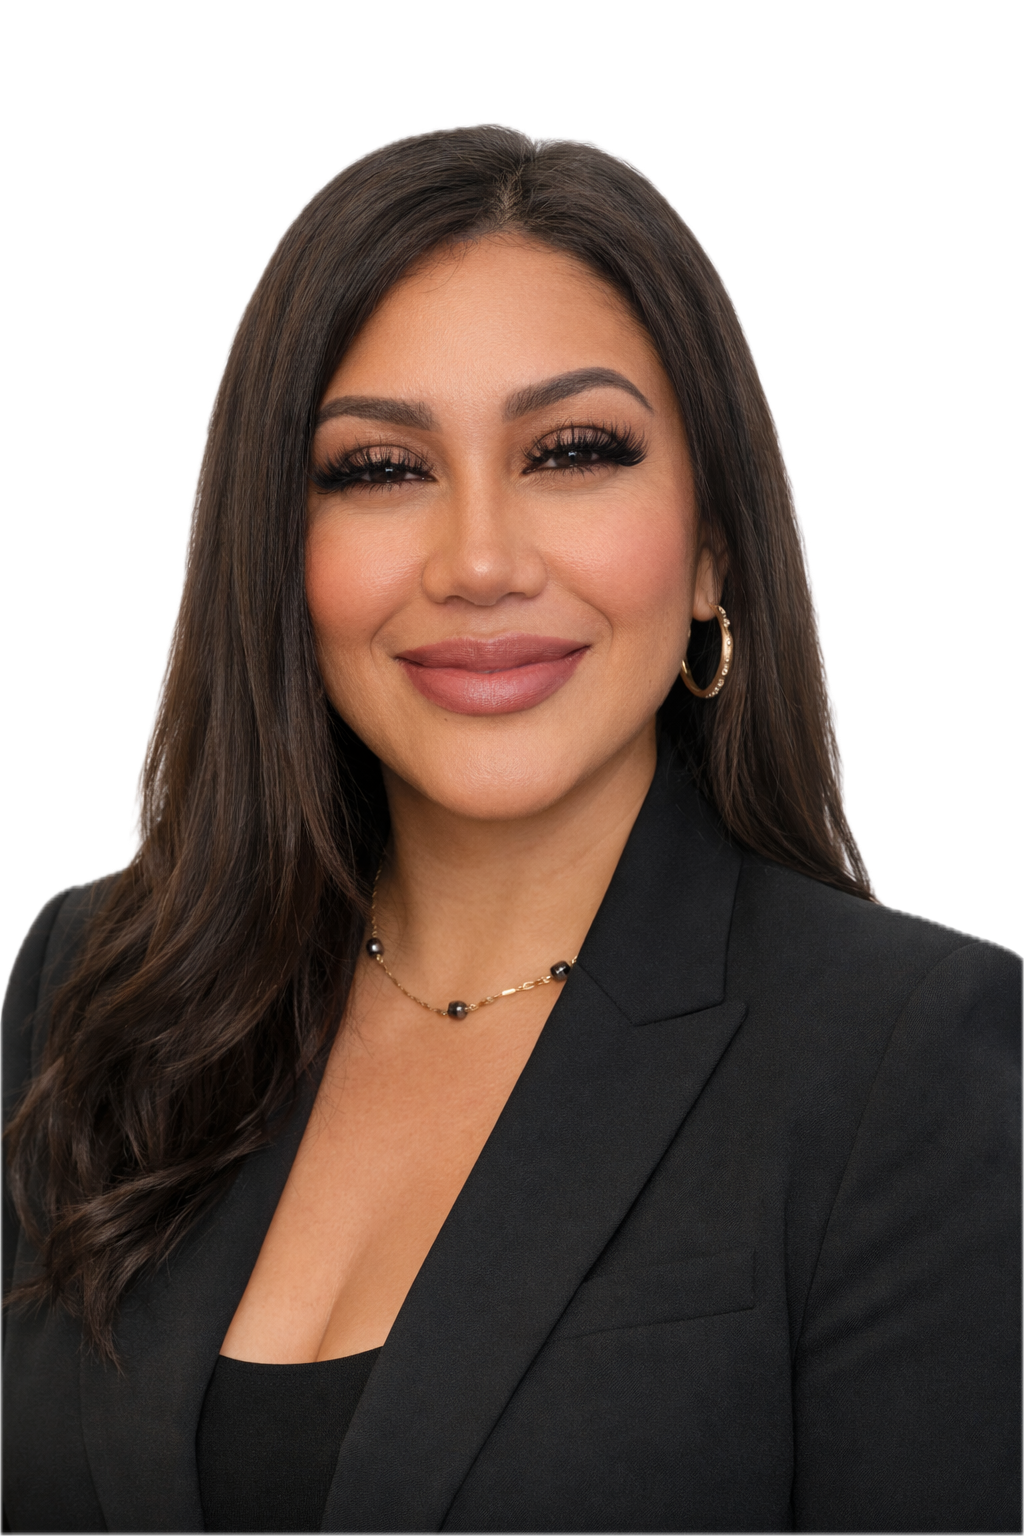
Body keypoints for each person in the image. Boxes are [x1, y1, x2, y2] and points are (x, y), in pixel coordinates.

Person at [0, 123, 1020, 1536]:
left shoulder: (911, 1065)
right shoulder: (99, 983)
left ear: (716, 542)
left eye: (573, 451)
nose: (480, 562)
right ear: (279, 554)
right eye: (378, 469)